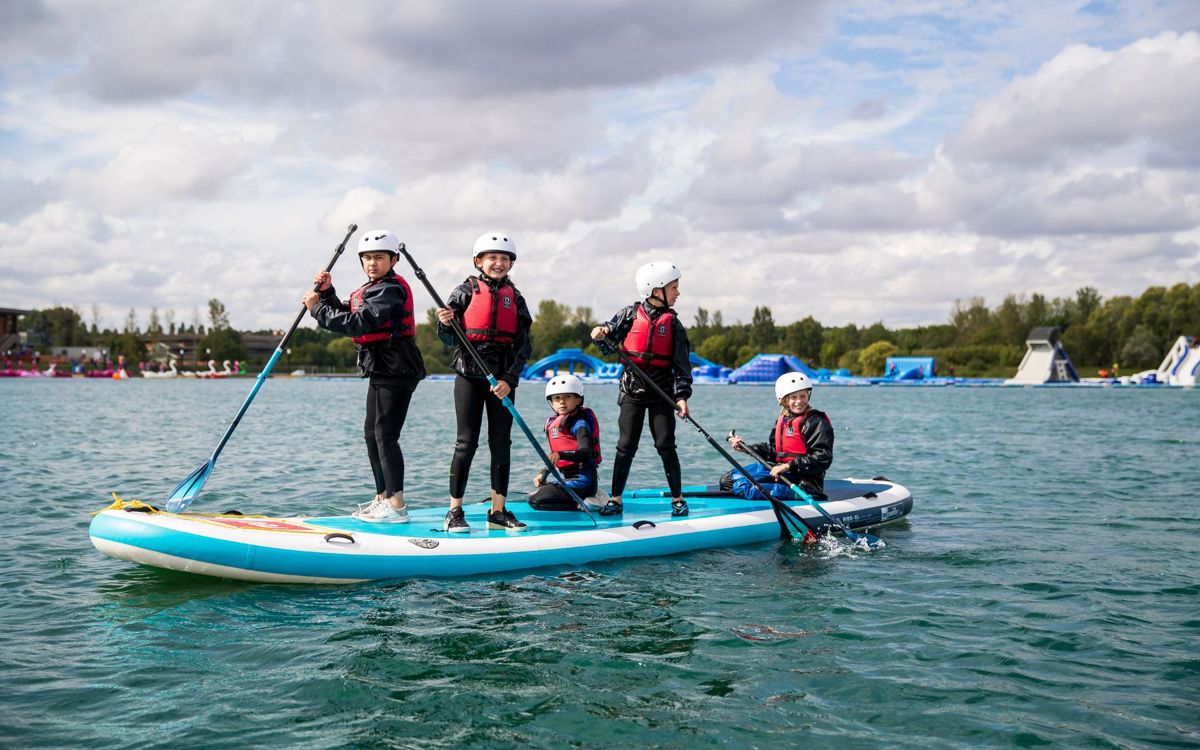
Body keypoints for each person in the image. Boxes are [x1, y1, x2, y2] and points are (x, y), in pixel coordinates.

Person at [303, 229, 426, 522]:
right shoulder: (373, 288)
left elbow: (358, 322)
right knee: (372, 435)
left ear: (393, 259)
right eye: (368, 258)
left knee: (385, 436)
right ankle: (382, 497)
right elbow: (349, 311)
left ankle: (397, 505)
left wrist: (317, 308)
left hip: (396, 367)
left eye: (379, 257)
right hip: (381, 367)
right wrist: (328, 293)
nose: (372, 263)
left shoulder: (389, 289)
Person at [435, 232, 533, 532]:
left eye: (504, 259)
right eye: (492, 258)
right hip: (469, 375)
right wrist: (443, 323)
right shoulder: (463, 292)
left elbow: (523, 346)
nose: (498, 263)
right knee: (466, 443)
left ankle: (498, 510)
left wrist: (509, 379)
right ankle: (454, 511)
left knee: (501, 443)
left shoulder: (515, 299)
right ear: (479, 261)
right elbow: (448, 337)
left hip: (502, 380)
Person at [590, 261, 692, 517]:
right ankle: (615, 499)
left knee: (665, 445)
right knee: (626, 446)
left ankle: (678, 500)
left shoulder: (674, 325)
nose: (678, 293)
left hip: (661, 393)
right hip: (631, 391)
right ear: (656, 290)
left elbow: (682, 367)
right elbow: (607, 340)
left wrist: (681, 397)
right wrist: (600, 334)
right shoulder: (629, 314)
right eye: (674, 287)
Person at [726, 371, 834, 501]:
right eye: (793, 397)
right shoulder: (783, 420)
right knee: (728, 480)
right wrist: (746, 448)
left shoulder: (816, 422)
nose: (799, 401)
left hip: (804, 479)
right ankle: (775, 487)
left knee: (744, 487)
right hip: (780, 471)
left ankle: (801, 493)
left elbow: (823, 458)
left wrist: (788, 466)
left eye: (803, 396)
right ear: (783, 400)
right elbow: (773, 450)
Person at [529, 373, 602, 511]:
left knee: (536, 500)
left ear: (578, 400)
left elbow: (585, 453)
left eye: (567, 397)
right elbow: (554, 458)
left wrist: (561, 455)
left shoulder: (580, 424)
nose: (562, 401)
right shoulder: (555, 424)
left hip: (583, 481)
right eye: (557, 398)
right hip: (568, 479)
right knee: (538, 492)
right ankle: (580, 499)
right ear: (551, 402)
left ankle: (587, 502)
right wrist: (542, 473)